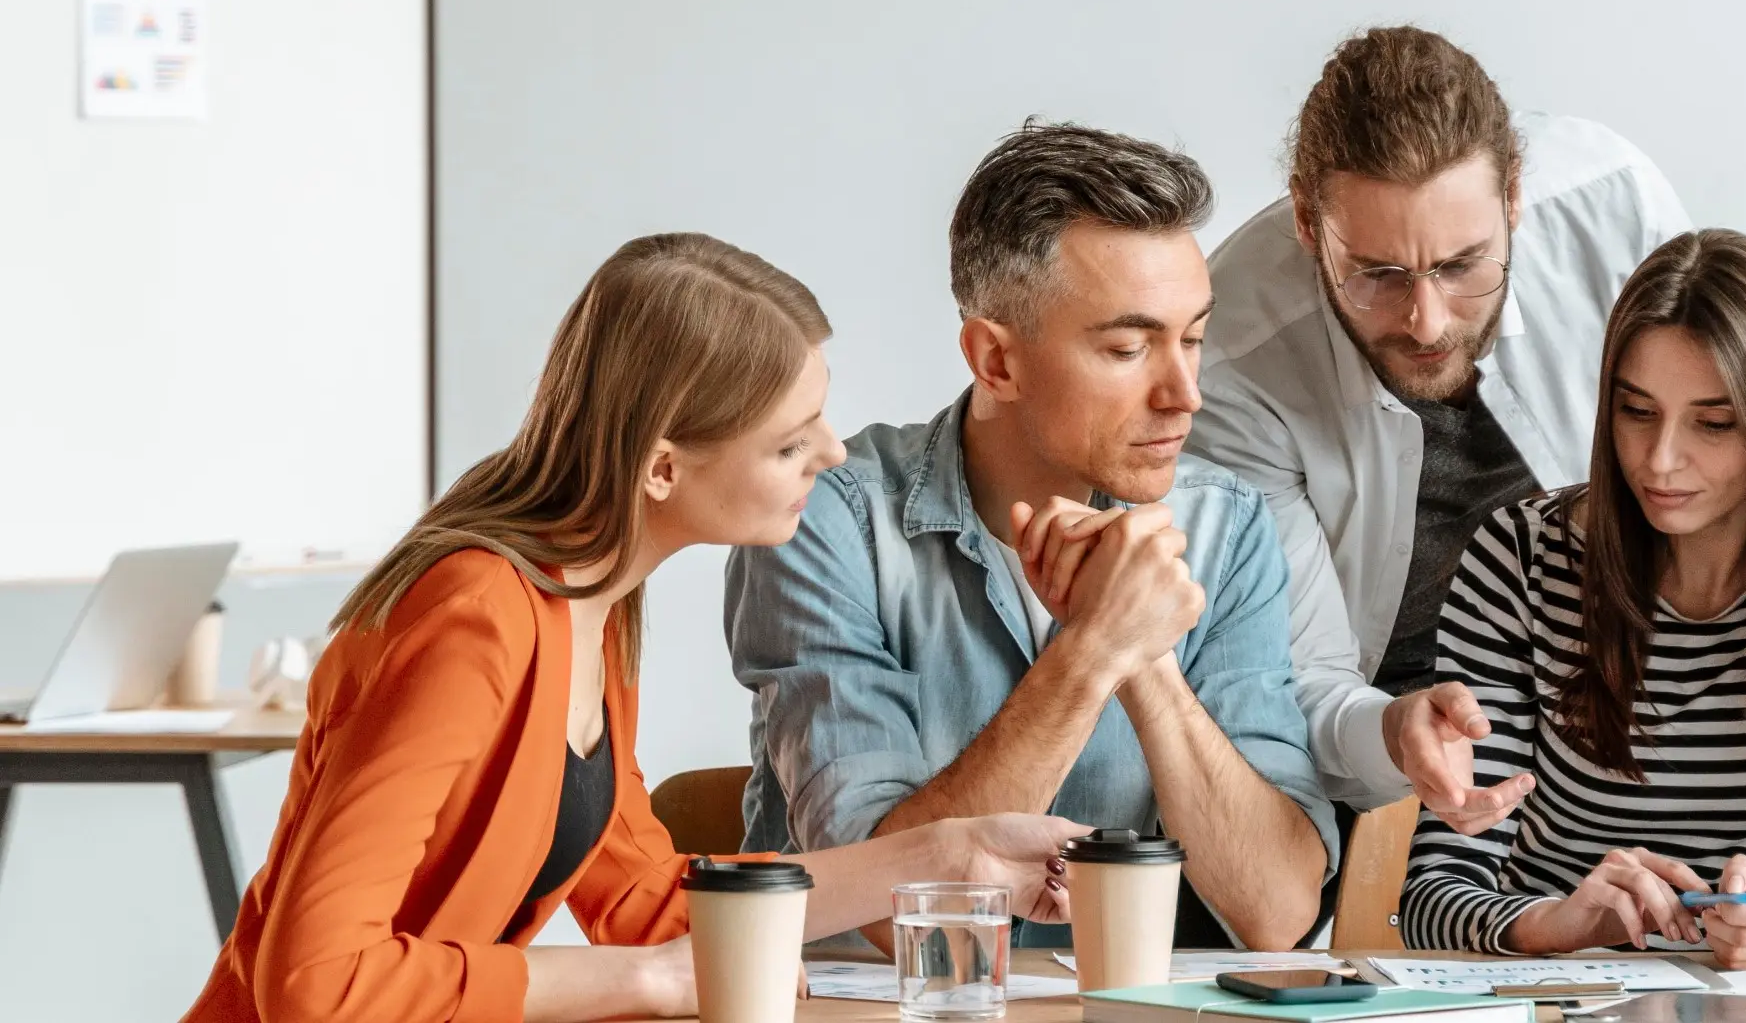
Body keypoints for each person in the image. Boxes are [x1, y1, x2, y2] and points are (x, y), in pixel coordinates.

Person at [182, 233, 1082, 1023]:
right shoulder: (477, 621)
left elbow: (653, 904)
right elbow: (317, 980)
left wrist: (944, 852)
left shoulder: (589, 611)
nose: (834, 451)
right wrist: (648, 982)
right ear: (661, 467)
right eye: (788, 440)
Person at [726, 122, 1334, 952]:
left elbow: (1278, 914)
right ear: (996, 361)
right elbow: (883, 913)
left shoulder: (1227, 527)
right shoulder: (828, 519)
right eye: (1128, 347)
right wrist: (1089, 652)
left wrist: (1144, 656)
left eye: (1193, 337)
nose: (1186, 393)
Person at [1189, 25, 1693, 833]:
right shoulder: (1232, 351)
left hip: (1625, 694)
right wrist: (1391, 728)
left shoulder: (1617, 209)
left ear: (1515, 197)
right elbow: (1295, 674)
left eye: (1462, 266)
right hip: (1372, 741)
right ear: (1308, 223)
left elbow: (1720, 486)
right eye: (1378, 275)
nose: (1427, 323)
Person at [1399, 230, 1746, 968]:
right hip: (1560, 996)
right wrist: (1556, 923)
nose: (1659, 460)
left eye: (1714, 423)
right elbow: (1435, 894)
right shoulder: (1522, 558)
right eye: (1636, 411)